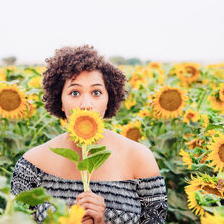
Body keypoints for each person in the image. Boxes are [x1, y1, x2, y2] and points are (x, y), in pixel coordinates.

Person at [10, 45, 168, 224]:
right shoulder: (32, 165)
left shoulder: (140, 159)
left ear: (108, 100)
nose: (86, 104)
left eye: (96, 92)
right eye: (74, 92)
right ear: (60, 101)